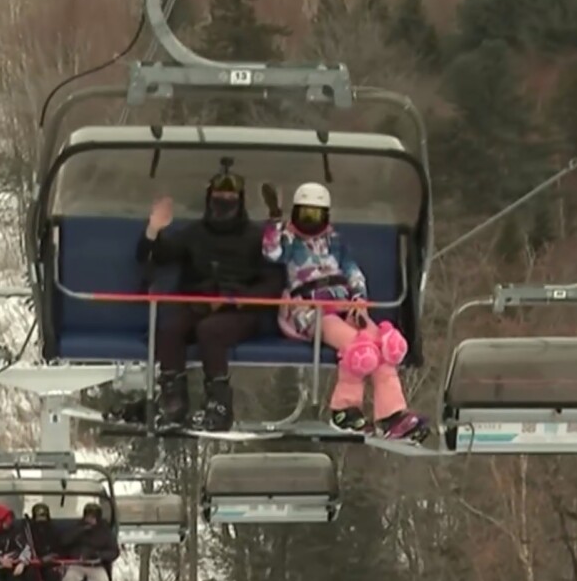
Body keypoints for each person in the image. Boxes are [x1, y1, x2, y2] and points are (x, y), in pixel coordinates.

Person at [114, 165, 284, 431]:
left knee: (210, 331)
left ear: (240, 202)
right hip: (199, 304)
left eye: (230, 199)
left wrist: (235, 298)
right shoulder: (196, 234)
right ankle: (173, 400)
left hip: (239, 312)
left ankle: (219, 405)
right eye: (219, 197)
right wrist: (154, 230)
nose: (224, 203)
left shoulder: (254, 238)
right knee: (170, 330)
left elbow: (273, 281)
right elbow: (155, 256)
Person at [261, 182, 429, 441]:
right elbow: (271, 253)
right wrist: (274, 218)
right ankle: (344, 408)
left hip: (343, 303)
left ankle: (393, 414)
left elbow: (351, 270)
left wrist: (359, 298)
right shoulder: (290, 240)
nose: (310, 222)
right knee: (359, 348)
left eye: (316, 215)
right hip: (310, 310)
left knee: (382, 346)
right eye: (305, 214)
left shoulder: (334, 242)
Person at [59, 503, 118, 581]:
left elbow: (114, 551)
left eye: (93, 517)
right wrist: (81, 531)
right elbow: (64, 542)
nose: (90, 519)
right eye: (88, 516)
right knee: (69, 579)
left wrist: (99, 555)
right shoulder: (77, 527)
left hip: (95, 564)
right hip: (77, 564)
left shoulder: (104, 531)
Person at [26, 503, 65, 581]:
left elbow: (60, 548)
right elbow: (24, 545)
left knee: (54, 574)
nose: (41, 519)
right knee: (30, 575)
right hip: (34, 562)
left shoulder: (53, 530)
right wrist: (32, 557)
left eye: (43, 516)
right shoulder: (29, 530)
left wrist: (51, 557)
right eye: (38, 516)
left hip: (49, 562)